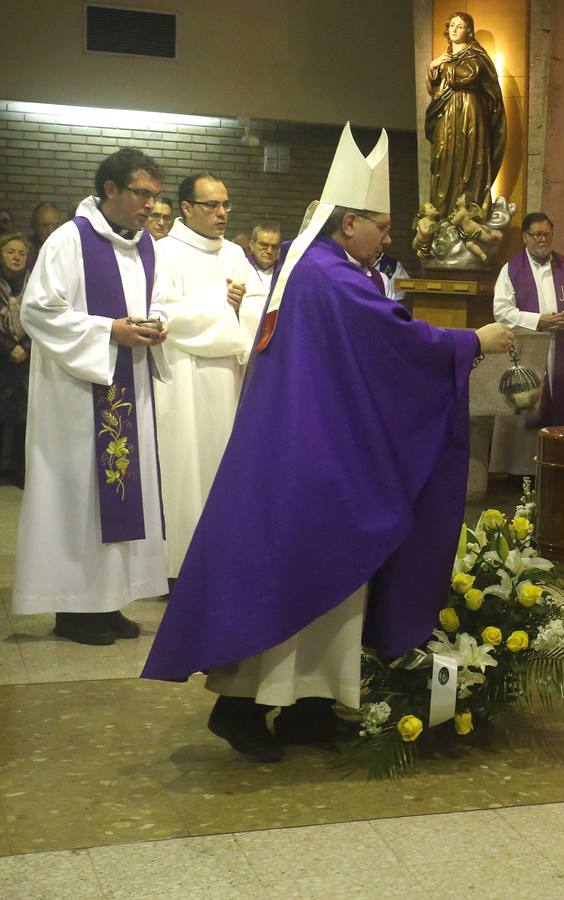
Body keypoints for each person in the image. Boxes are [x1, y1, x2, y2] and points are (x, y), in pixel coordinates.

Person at [142, 124, 513, 761]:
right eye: (383, 225)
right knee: (305, 579)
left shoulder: (324, 267)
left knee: (331, 586)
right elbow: (393, 344)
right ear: (349, 223)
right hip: (316, 457)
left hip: (319, 446)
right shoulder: (327, 276)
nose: (390, 238)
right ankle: (241, 713)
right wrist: (472, 341)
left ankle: (311, 710)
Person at [14, 148, 171, 645]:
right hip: (77, 395)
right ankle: (73, 611)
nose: (149, 205)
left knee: (122, 495)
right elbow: (38, 312)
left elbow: (160, 300)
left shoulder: (146, 247)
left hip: (128, 389)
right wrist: (109, 331)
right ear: (110, 190)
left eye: (154, 196)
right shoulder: (69, 240)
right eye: (142, 194)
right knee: (78, 499)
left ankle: (108, 602)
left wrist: (156, 324)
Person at [153, 172, 253, 582]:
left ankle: (221, 562)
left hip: (230, 377)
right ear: (186, 208)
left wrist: (240, 308)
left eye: (226, 204)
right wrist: (219, 302)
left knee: (225, 469)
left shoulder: (234, 254)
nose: (222, 213)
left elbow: (257, 304)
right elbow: (159, 312)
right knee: (185, 470)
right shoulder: (163, 252)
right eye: (212, 205)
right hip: (184, 379)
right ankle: (177, 569)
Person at [493, 212, 564, 427]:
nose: (543, 240)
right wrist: (538, 321)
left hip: (562, 347)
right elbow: (501, 311)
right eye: (537, 235)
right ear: (525, 237)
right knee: (529, 410)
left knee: (563, 410)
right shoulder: (510, 270)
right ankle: (527, 459)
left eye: (547, 234)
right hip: (528, 350)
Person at [425, 11, 506, 213]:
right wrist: (433, 67)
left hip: (469, 112)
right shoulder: (445, 57)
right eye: (452, 25)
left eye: (459, 26)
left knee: (468, 159)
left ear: (468, 31)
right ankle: (442, 212)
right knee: (443, 154)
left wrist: (445, 65)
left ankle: (468, 206)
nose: (454, 29)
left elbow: (466, 77)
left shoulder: (476, 55)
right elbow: (436, 88)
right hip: (447, 109)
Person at [0, 232, 31, 485]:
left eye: (21, 253)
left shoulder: (35, 284)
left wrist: (25, 347)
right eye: (11, 251)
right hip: (2, 358)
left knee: (24, 417)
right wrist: (9, 346)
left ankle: (21, 471)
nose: (16, 257)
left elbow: (42, 320)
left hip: (28, 360)